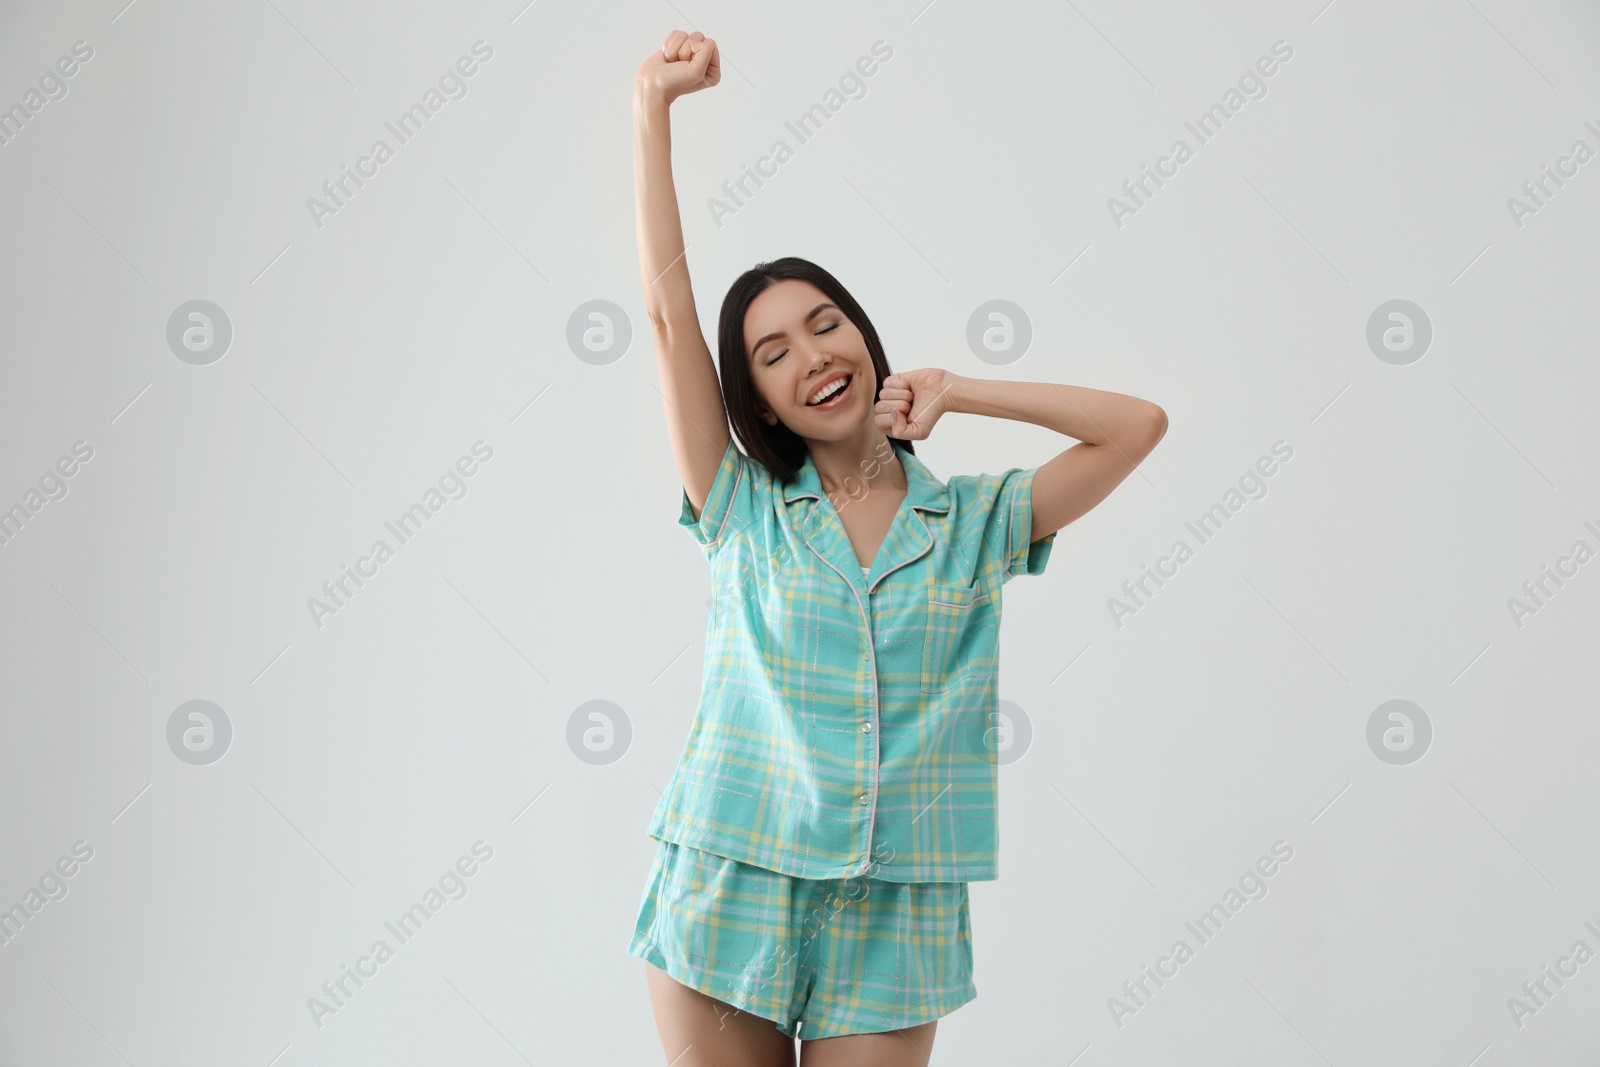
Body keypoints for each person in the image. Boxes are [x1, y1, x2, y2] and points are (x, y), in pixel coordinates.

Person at [627, 29, 1167, 1066]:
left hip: (899, 901)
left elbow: (1134, 425)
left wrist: (963, 387)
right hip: (734, 870)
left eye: (824, 324)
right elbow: (665, 313)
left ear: (865, 339)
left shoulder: (973, 523)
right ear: (758, 396)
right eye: (771, 352)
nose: (809, 356)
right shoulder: (740, 503)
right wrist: (650, 111)